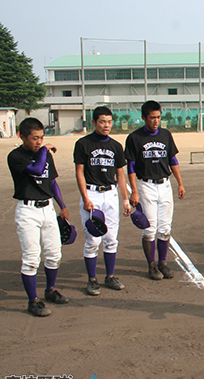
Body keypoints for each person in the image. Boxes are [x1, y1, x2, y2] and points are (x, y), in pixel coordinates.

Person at [7, 117, 70, 317]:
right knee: (31, 259)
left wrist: (63, 205)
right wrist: (44, 151)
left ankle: (50, 290)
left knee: (54, 255)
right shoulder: (15, 156)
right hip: (28, 211)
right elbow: (35, 170)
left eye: (42, 138)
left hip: (48, 209)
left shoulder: (44, 154)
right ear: (21, 136)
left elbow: (52, 183)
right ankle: (33, 301)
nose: (39, 142)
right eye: (34, 138)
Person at [125, 100, 186, 280]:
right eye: (152, 118)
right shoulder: (135, 138)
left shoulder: (166, 135)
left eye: (158, 117)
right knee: (150, 229)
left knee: (165, 228)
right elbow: (131, 166)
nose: (156, 121)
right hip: (146, 186)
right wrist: (134, 191)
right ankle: (152, 265)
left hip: (165, 184)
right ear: (144, 118)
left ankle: (163, 263)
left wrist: (180, 183)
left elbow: (172, 160)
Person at [74, 106, 130, 295]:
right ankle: (91, 280)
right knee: (93, 240)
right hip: (92, 194)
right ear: (94, 123)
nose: (106, 125)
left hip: (111, 194)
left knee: (111, 239)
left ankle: (110, 276)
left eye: (109, 122)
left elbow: (121, 176)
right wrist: (85, 198)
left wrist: (125, 200)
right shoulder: (83, 144)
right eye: (102, 122)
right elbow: (79, 172)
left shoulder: (116, 146)